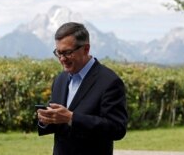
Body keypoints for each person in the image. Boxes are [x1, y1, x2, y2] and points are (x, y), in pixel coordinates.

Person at [37, 22, 128, 155]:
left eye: (67, 53)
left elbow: (117, 128)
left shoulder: (109, 81)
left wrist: (72, 118)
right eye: (58, 53)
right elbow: (60, 124)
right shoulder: (60, 80)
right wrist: (46, 119)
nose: (62, 59)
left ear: (86, 49)